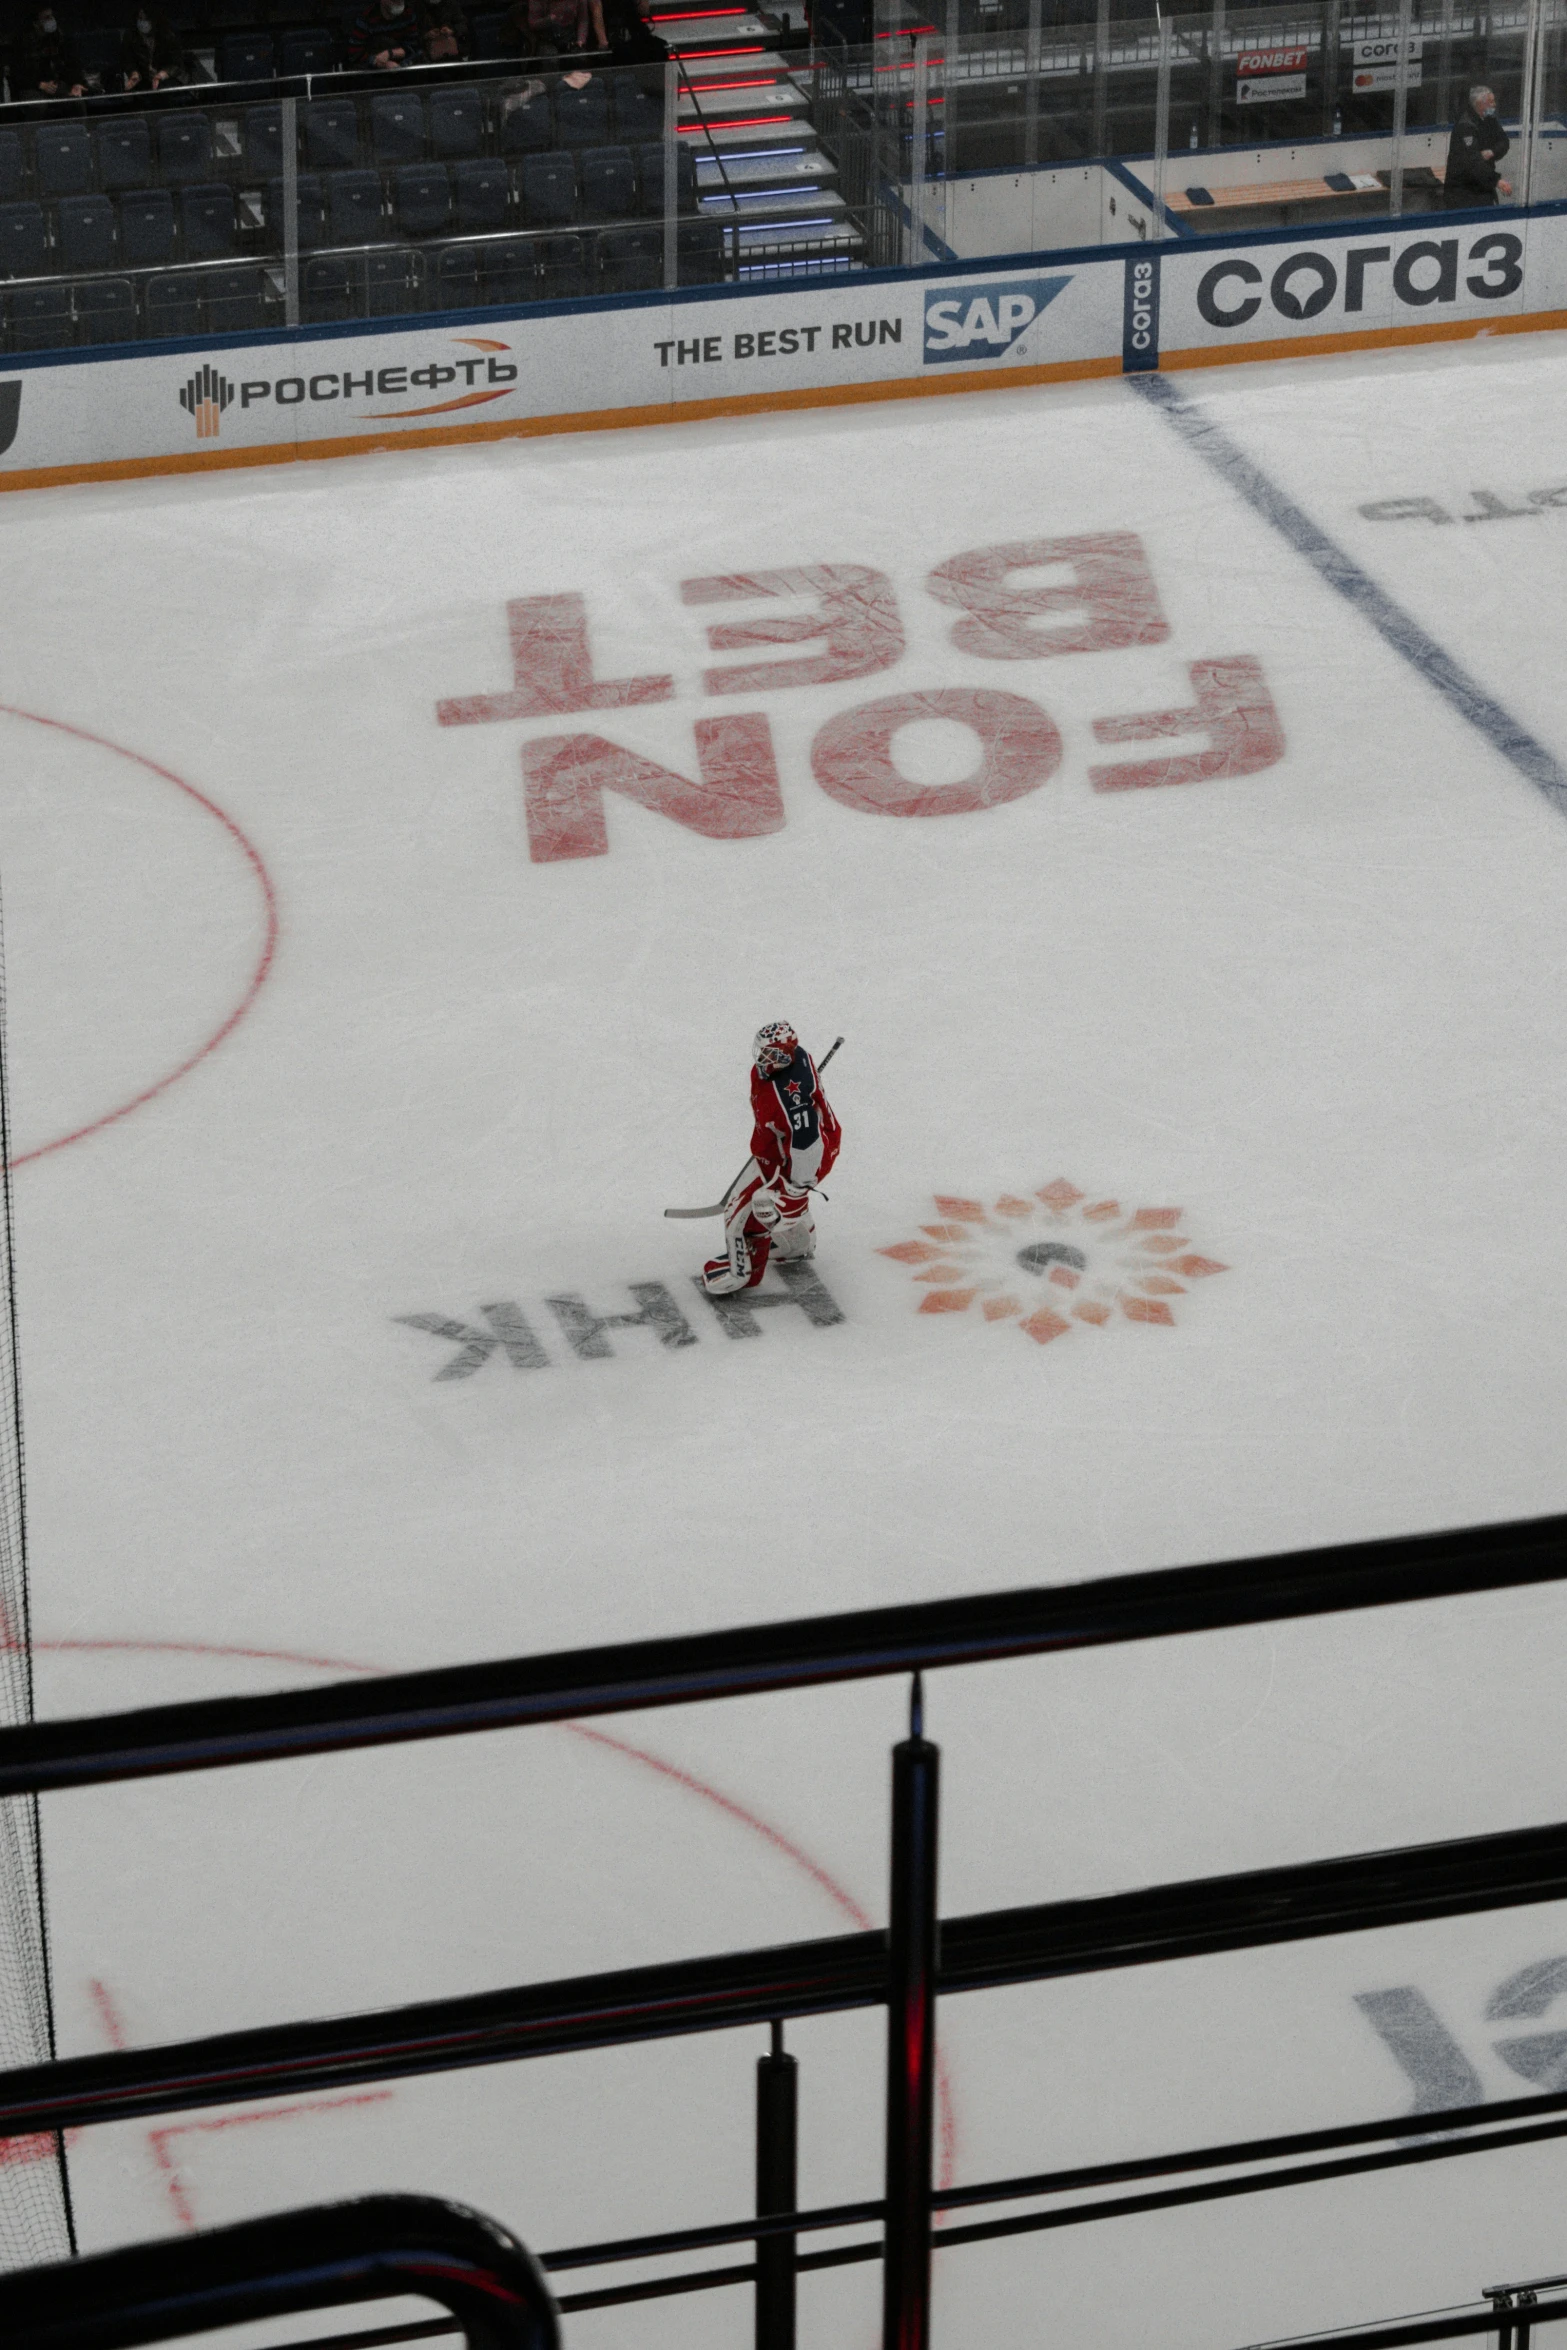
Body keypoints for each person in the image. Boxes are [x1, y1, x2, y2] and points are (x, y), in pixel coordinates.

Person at [702, 1023, 842, 1297]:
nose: (761, 1059)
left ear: (782, 1056)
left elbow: (808, 1144)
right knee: (768, 1202)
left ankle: (743, 1273)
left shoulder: (792, 1100)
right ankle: (797, 1243)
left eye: (768, 1054)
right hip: (781, 1146)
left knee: (749, 1210)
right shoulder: (792, 1061)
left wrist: (797, 1188)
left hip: (797, 1157)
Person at [1444, 85, 1513, 206]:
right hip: (1464, 191)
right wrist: (1496, 180)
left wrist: (1492, 152)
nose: (1494, 105)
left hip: (1482, 185)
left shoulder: (1489, 119)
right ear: (1480, 104)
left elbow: (1504, 142)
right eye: (1491, 102)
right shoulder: (1465, 126)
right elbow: (1473, 162)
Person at [11, 3, 85, 95]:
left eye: (52, 16)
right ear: (36, 23)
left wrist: (76, 82)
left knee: (77, 100)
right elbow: (18, 74)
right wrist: (39, 84)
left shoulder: (59, 37)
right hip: (33, 86)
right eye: (47, 17)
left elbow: (72, 62)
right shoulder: (23, 42)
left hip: (56, 83)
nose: (51, 20)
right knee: (37, 105)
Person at [117, 7, 184, 90]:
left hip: (167, 78)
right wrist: (134, 73)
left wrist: (161, 75)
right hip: (142, 79)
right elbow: (127, 60)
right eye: (140, 18)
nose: (142, 22)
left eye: (146, 19)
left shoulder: (167, 36)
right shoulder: (130, 36)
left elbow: (176, 64)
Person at [344, 0, 419, 68]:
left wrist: (390, 54)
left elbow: (414, 48)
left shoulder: (408, 14)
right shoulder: (367, 18)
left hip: (404, 71)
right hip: (371, 74)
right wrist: (380, 63)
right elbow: (354, 54)